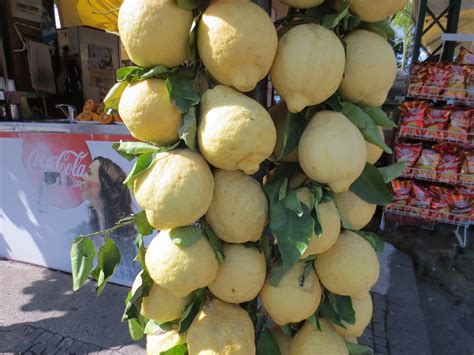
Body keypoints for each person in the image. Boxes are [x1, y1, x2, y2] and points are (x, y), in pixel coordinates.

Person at [80, 156, 140, 283]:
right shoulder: (82, 231)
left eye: (89, 173)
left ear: (105, 184)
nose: (83, 177)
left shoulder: (129, 241)